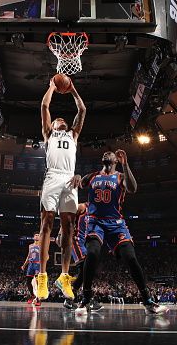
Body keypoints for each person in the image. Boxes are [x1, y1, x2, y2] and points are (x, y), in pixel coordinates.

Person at [73, 150, 168, 315]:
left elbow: (133, 188)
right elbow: (79, 183)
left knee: (131, 258)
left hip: (116, 224)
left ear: (116, 160)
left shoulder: (121, 176)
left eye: (110, 153)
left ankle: (148, 301)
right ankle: (85, 300)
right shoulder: (92, 176)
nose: (107, 154)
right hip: (95, 222)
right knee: (93, 254)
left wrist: (125, 164)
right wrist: (77, 176)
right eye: (105, 153)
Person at [36, 77, 86, 301]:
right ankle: (42, 275)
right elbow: (45, 106)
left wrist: (73, 90)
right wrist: (52, 87)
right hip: (53, 176)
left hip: (69, 179)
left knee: (69, 227)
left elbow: (82, 109)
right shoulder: (49, 134)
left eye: (62, 119)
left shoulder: (73, 135)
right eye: (57, 120)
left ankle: (64, 275)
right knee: (47, 222)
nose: (60, 120)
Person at [21, 233, 41, 306]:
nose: (37, 236)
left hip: (38, 264)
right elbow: (28, 256)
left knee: (37, 282)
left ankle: (38, 298)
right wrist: (24, 265)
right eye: (35, 235)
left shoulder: (41, 245)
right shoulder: (30, 246)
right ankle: (32, 295)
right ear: (33, 237)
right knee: (28, 281)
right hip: (31, 264)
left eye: (38, 235)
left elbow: (45, 255)